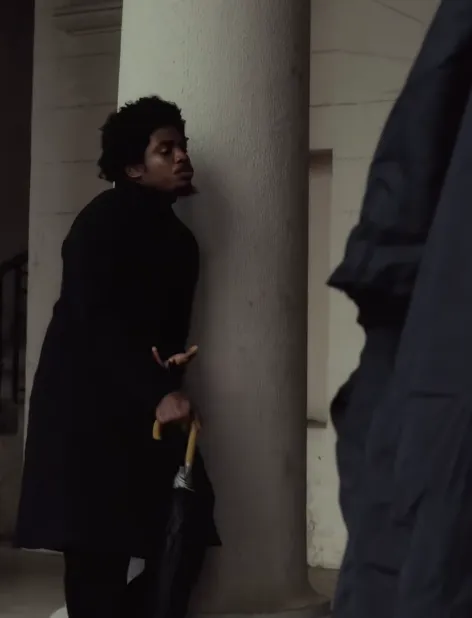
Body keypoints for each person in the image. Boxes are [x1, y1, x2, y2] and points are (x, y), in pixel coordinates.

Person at [16, 96, 218, 618]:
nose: (181, 156)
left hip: (139, 411)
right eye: (164, 149)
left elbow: (159, 330)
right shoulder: (101, 224)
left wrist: (169, 368)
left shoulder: (180, 240)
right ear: (133, 167)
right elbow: (91, 323)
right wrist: (158, 391)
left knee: (189, 526)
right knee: (97, 560)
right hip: (85, 415)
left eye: (182, 146)